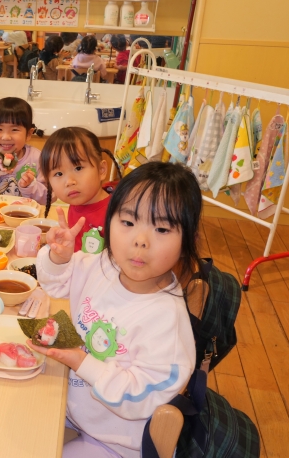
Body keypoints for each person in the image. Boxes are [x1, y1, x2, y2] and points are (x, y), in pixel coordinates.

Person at [29, 162, 198, 457]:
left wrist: (82, 362)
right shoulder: (104, 265)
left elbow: (141, 397)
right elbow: (57, 283)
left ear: (186, 242)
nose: (140, 241)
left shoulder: (166, 321)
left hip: (116, 442)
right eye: (128, 223)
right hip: (74, 409)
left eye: (161, 228)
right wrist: (60, 258)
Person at [39, 127, 121, 253]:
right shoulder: (76, 202)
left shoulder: (117, 213)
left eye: (78, 168)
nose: (69, 181)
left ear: (101, 170)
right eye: (59, 174)